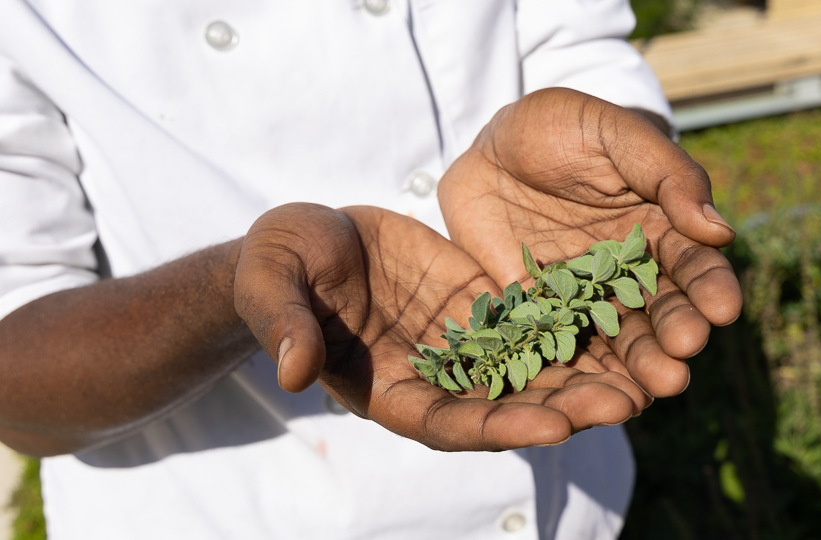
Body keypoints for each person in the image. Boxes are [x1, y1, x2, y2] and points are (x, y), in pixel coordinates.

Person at [0, 1, 742, 538]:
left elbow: (577, 44)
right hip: (222, 511)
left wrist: (612, 157)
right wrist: (237, 290)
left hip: (565, 500)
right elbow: (15, 374)